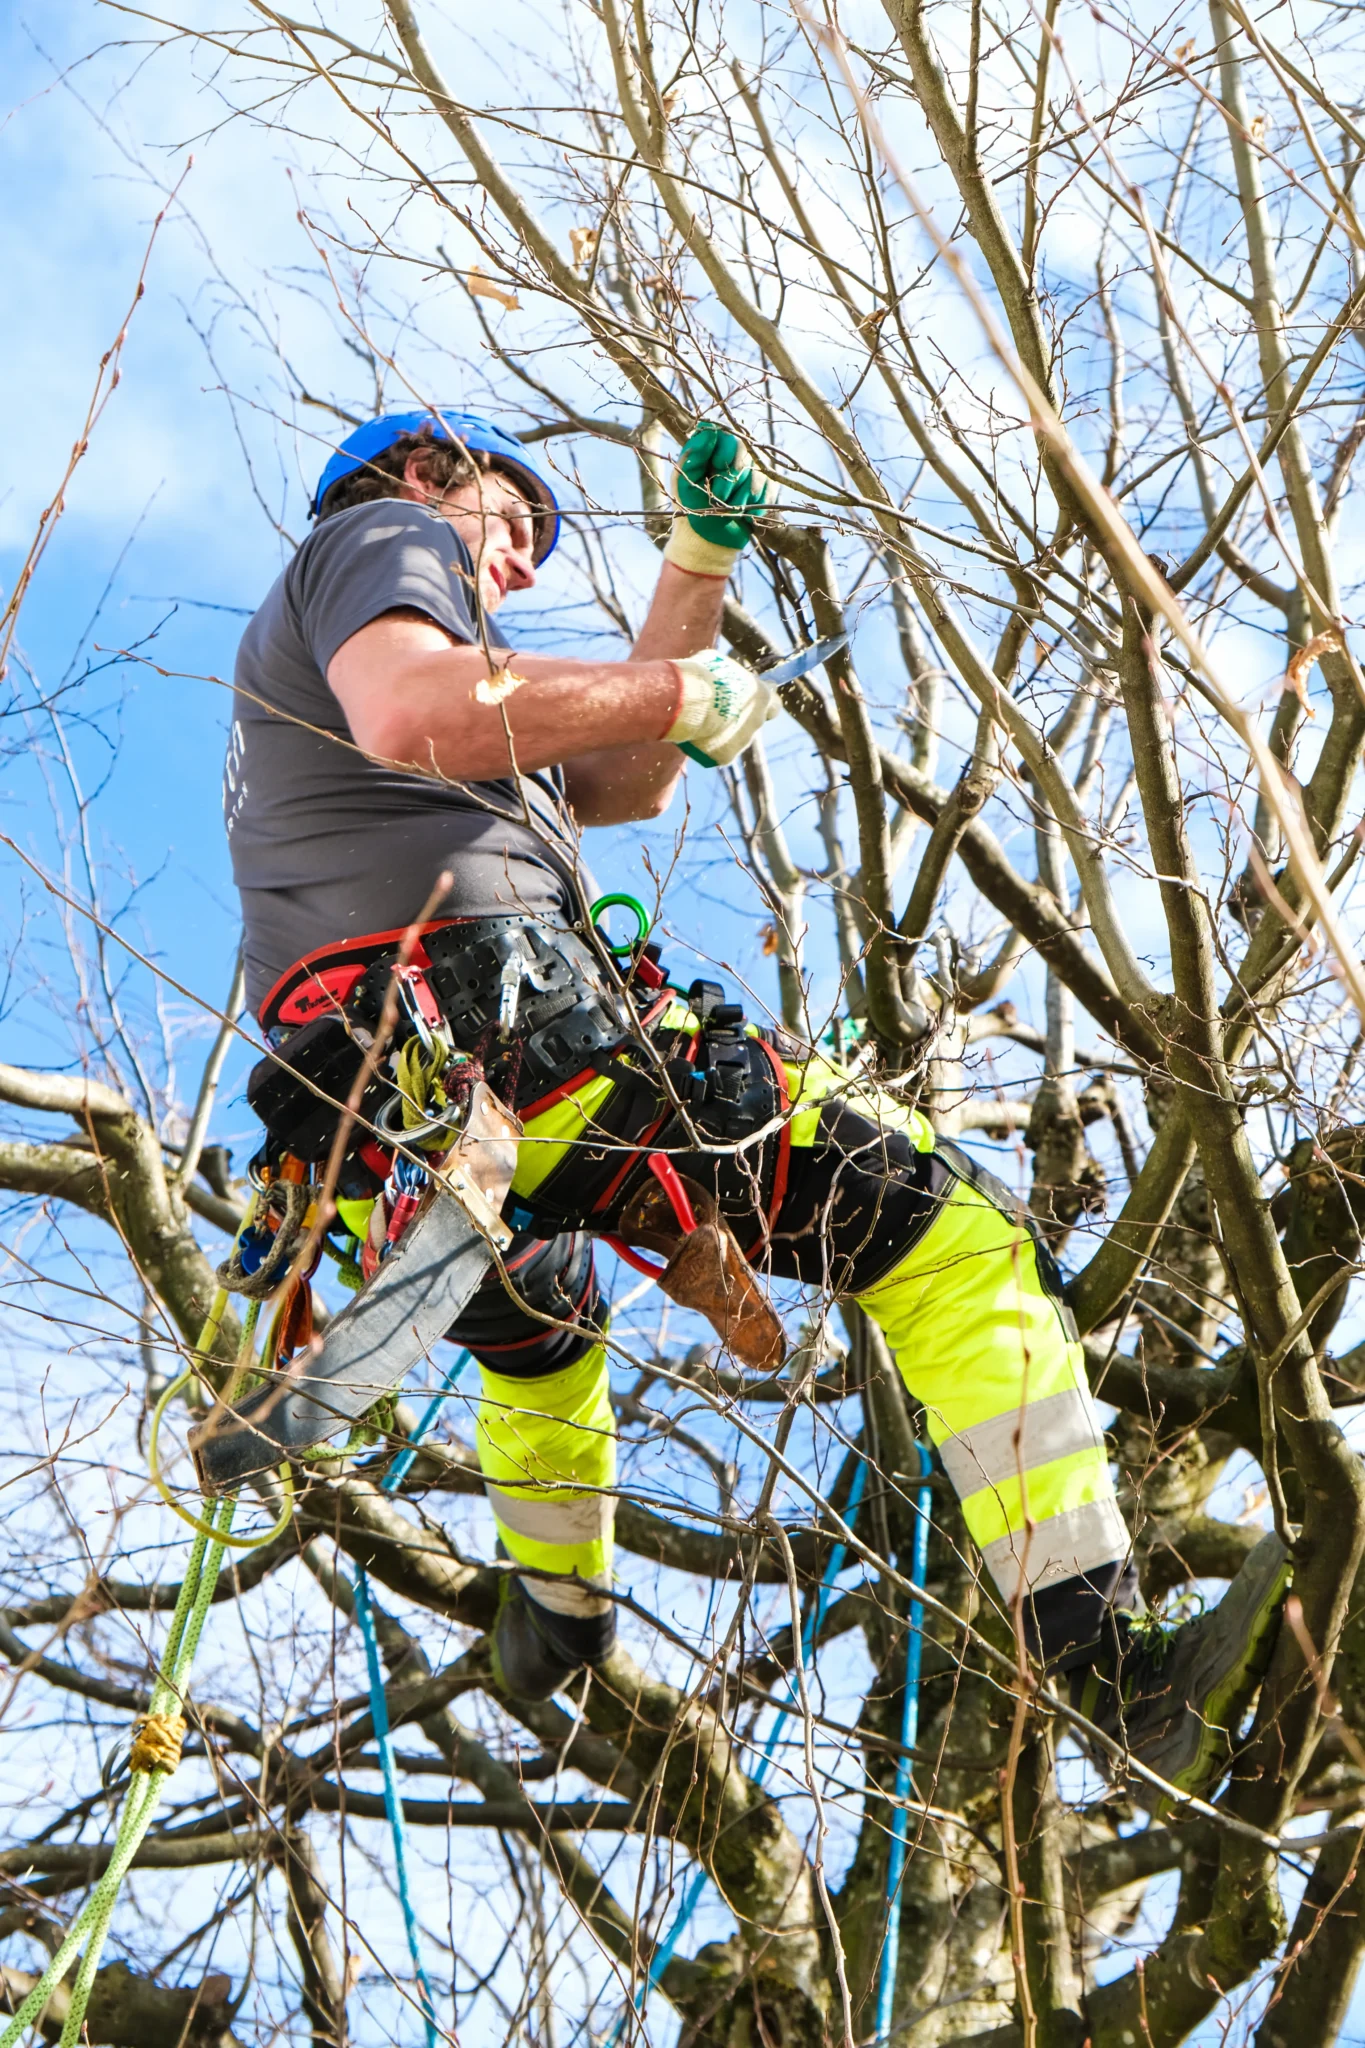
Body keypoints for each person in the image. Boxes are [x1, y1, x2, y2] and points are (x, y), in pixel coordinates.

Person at [224, 407, 1289, 1802]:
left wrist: (696, 566)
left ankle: (555, 1606)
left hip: (375, 1081)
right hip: (516, 1009)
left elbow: (623, 778)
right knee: (953, 1234)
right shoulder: (387, 536)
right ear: (429, 473)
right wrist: (676, 691)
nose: (522, 567)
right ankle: (1100, 1659)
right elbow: (421, 714)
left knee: (543, 1324)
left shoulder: (339, 688)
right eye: (513, 524)